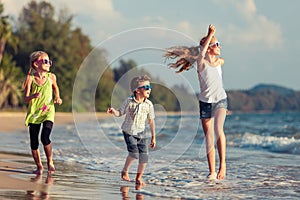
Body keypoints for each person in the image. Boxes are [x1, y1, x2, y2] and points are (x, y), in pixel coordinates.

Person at [164, 24, 227, 180]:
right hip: (205, 103)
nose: (219, 46)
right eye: (216, 44)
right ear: (209, 47)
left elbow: (220, 60)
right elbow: (202, 54)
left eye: (219, 44)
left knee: (219, 130)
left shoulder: (219, 62)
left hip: (220, 100)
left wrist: (211, 40)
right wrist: (209, 34)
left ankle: (223, 165)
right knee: (209, 137)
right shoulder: (201, 64)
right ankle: (212, 172)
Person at [107, 75, 156, 187]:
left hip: (142, 132)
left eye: (150, 86)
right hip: (128, 131)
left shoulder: (149, 104)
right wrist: (113, 111)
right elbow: (120, 113)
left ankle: (139, 177)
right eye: (146, 87)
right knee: (134, 153)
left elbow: (151, 121)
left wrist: (154, 137)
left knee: (144, 156)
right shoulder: (129, 101)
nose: (150, 89)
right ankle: (125, 171)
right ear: (137, 90)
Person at [23, 51, 62, 175]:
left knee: (45, 137)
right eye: (45, 61)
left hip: (48, 111)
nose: (48, 63)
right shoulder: (30, 78)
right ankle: (39, 166)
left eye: (49, 61)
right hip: (35, 113)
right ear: (36, 64)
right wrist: (33, 96)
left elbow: (55, 87)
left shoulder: (51, 77)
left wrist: (58, 97)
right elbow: (25, 98)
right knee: (34, 142)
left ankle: (50, 162)